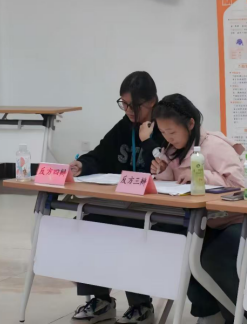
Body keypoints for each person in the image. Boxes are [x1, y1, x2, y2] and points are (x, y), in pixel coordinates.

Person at [151, 94, 247, 324]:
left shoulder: (214, 146)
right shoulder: (172, 149)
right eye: (163, 132)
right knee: (175, 249)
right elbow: (174, 184)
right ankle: (208, 312)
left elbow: (240, 185)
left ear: (190, 123)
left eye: (172, 132)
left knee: (212, 257)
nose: (168, 138)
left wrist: (201, 176)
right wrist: (162, 171)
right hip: (200, 221)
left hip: (234, 220)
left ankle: (239, 316)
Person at [69, 71, 163, 324]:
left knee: (130, 230)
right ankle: (100, 299)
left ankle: (141, 304)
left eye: (135, 106)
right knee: (87, 222)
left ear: (152, 101)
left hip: (154, 207)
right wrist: (82, 165)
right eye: (124, 104)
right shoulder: (123, 126)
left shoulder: (166, 125)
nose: (129, 111)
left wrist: (146, 141)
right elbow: (101, 154)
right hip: (120, 201)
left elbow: (166, 164)